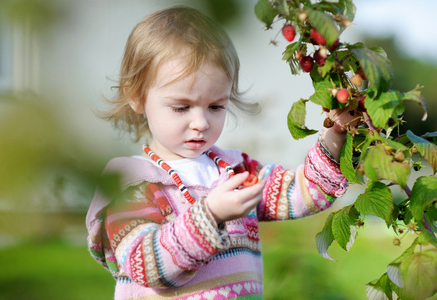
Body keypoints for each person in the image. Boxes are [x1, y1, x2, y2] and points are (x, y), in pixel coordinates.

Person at [86, 5, 352, 300]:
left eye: (216, 106)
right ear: (137, 96)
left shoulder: (235, 171)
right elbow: (146, 266)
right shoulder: (130, 182)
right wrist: (210, 214)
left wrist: (334, 137)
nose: (200, 123)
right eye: (181, 107)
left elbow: (303, 192)